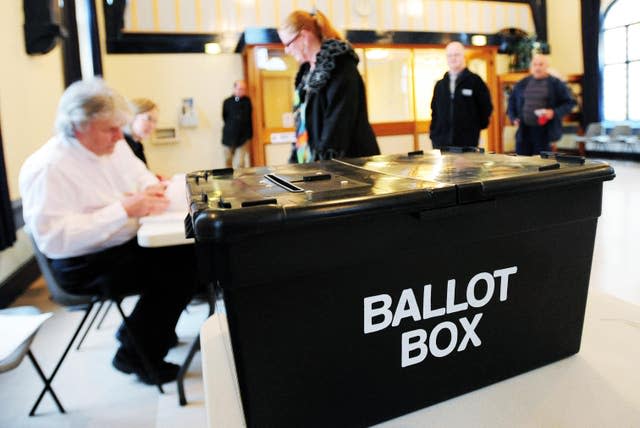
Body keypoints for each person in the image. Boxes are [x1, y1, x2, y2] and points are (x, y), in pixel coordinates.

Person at [19, 78, 196, 385]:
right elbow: (56, 239)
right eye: (109, 130)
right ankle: (135, 354)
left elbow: (138, 174)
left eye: (119, 127)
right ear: (77, 126)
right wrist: (124, 210)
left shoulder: (112, 144)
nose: (118, 136)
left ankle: (142, 335)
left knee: (190, 251)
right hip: (80, 263)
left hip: (116, 243)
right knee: (181, 268)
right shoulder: (48, 167)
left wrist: (149, 188)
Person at [278, 9, 380, 163]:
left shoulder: (340, 66)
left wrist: (320, 167)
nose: (286, 50)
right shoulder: (306, 74)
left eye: (288, 44)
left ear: (304, 36)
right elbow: (302, 126)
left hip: (348, 167)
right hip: (314, 164)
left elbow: (337, 128)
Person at [507, 53, 576, 155]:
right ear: (531, 67)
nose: (537, 67)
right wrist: (513, 118)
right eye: (535, 64)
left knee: (542, 165)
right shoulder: (522, 83)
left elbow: (570, 103)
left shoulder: (556, 84)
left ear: (547, 66)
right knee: (522, 163)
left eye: (541, 64)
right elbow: (511, 102)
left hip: (545, 132)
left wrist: (553, 112)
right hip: (524, 130)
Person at [429, 41, 493, 149]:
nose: (453, 58)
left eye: (456, 55)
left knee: (467, 167)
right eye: (449, 55)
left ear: (463, 56)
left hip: (467, 142)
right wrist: (434, 133)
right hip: (441, 143)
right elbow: (434, 111)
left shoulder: (475, 81)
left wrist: (475, 128)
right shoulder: (440, 85)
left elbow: (486, 107)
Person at [221, 80, 252, 168]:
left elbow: (249, 118)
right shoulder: (227, 102)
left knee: (241, 163)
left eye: (244, 89)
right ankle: (229, 181)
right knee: (228, 162)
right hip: (228, 137)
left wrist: (249, 136)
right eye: (240, 89)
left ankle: (241, 181)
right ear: (234, 89)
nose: (242, 91)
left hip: (243, 137)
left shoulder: (247, 101)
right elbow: (224, 117)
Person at [124, 98, 159, 166]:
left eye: (155, 121)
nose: (153, 126)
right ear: (131, 116)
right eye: (148, 119)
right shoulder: (121, 146)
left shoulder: (138, 145)